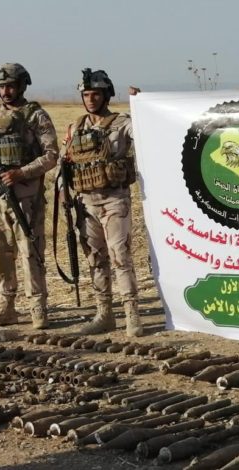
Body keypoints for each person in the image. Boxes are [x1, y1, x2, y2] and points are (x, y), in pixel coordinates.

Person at [0, 63, 59, 329]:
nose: (5, 92)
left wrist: (21, 173)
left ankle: (37, 307)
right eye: (1, 87)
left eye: (10, 86)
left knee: (30, 251)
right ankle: (5, 307)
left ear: (22, 86)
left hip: (26, 196)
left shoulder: (36, 115)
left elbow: (51, 155)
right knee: (1, 251)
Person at [60, 69, 143, 337]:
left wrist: (140, 105)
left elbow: (146, 131)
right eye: (86, 95)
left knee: (120, 256)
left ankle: (131, 314)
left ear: (106, 95)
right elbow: (65, 165)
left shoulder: (122, 123)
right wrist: (62, 191)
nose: (90, 99)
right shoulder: (76, 127)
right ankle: (104, 314)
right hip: (86, 202)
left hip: (114, 199)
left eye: (96, 94)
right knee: (95, 259)